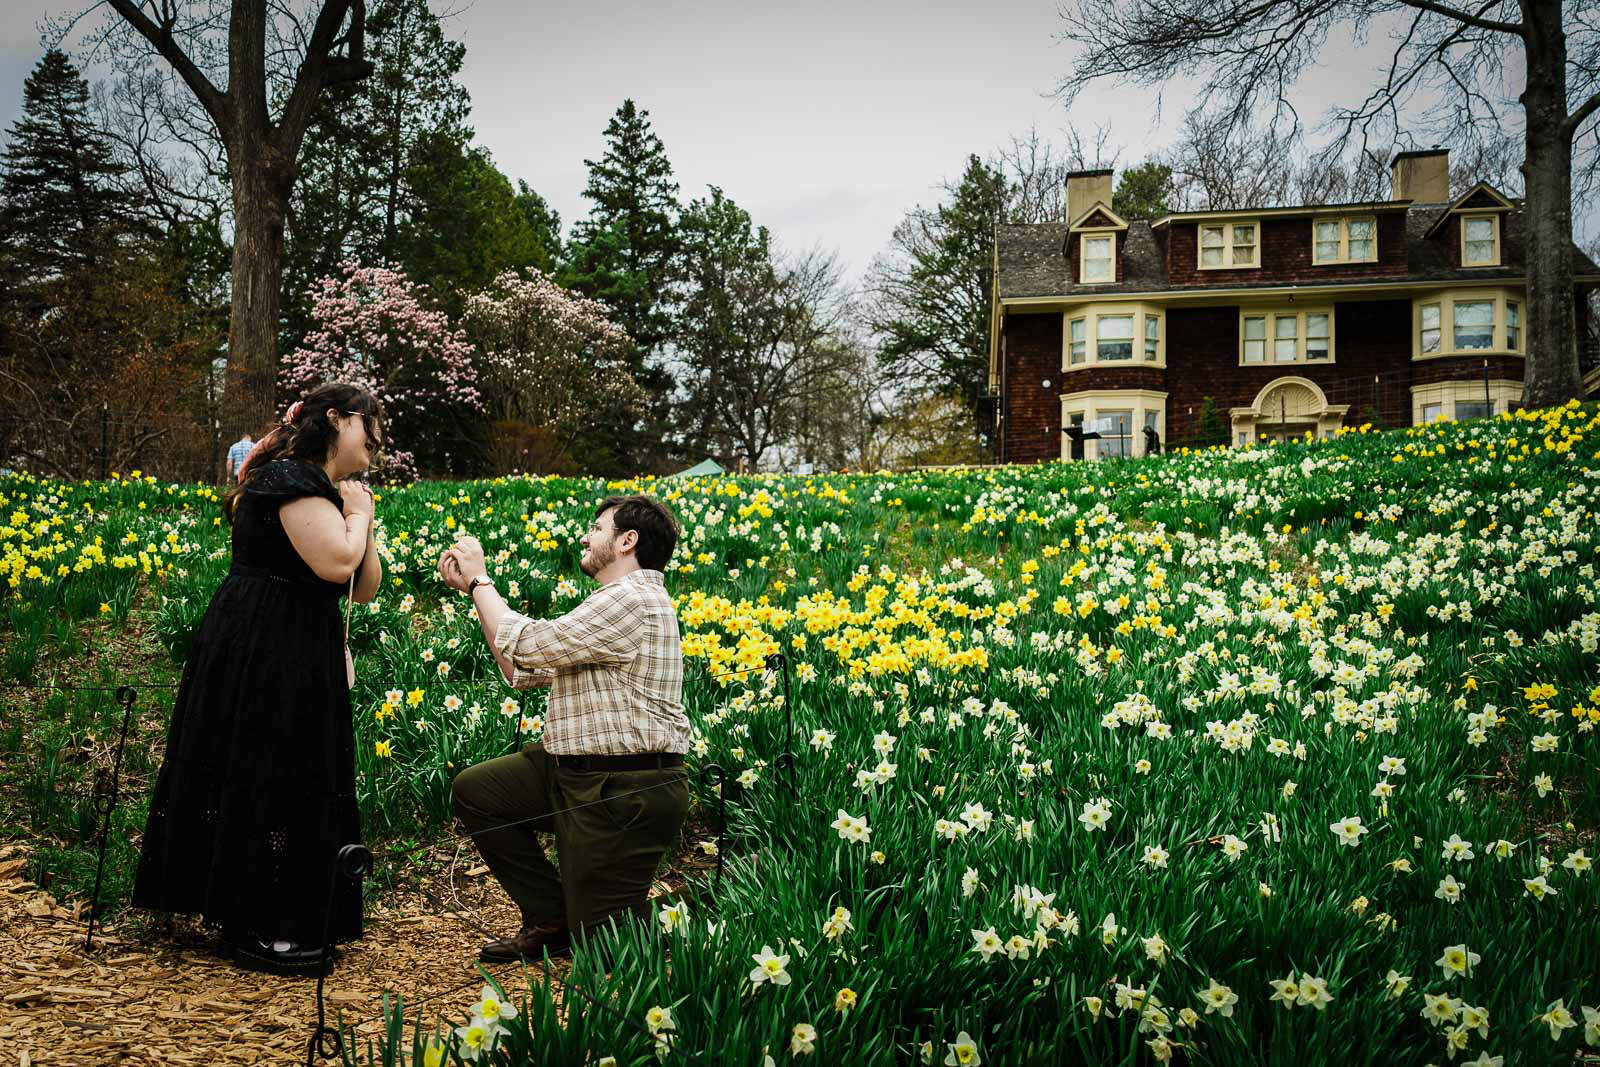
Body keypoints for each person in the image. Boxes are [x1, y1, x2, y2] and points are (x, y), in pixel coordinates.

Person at [134, 382, 385, 976]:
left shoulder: (319, 490)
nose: (377, 437)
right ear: (334, 419)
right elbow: (336, 562)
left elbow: (362, 585)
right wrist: (360, 516)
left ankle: (285, 914)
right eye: (368, 422)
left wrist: (359, 518)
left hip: (295, 642)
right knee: (264, 768)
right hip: (267, 645)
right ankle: (253, 921)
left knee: (299, 770)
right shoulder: (290, 482)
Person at [438, 494, 691, 964]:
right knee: (480, 791)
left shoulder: (633, 600)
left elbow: (529, 644)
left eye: (597, 529)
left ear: (626, 541)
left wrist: (480, 579)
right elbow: (521, 669)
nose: (585, 536)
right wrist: (475, 594)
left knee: (603, 949)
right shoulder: (609, 604)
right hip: (571, 770)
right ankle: (550, 919)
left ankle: (693, 913)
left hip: (622, 788)